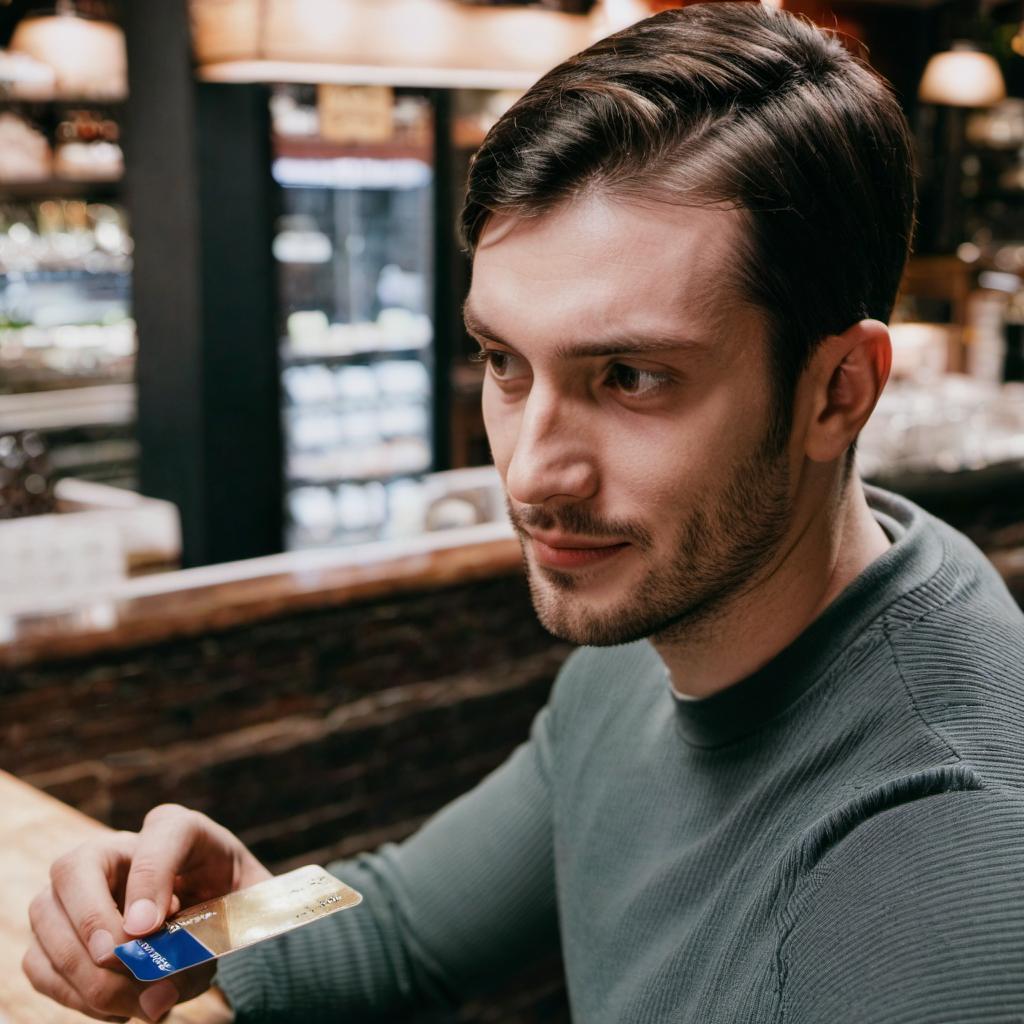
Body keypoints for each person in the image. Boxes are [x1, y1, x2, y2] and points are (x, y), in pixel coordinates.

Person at [24, 5, 1024, 1022]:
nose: (535, 474)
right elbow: (405, 917)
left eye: (630, 376)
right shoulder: (672, 615)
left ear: (837, 393)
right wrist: (203, 927)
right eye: (504, 361)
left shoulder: (941, 861)